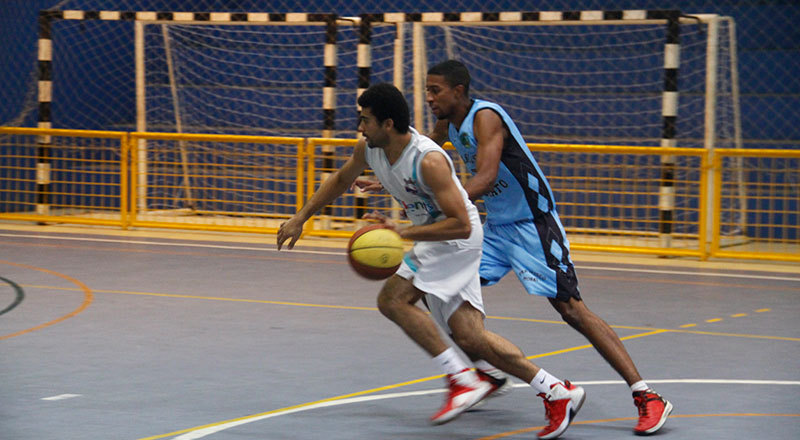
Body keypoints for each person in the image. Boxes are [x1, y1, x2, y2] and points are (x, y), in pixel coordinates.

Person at [277, 83, 585, 437]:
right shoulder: (370, 149)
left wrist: (401, 233)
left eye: (366, 120)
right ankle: (556, 391)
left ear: (388, 123)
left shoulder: (429, 159)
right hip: (435, 237)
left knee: (392, 300)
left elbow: (461, 224)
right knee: (470, 337)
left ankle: (462, 379)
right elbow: (341, 178)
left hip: (454, 239)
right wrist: (301, 217)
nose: (360, 127)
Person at [421, 59, 674, 436]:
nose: (429, 98)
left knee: (572, 310)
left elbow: (487, 177)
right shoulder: (447, 124)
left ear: (458, 91)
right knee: (436, 287)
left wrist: (443, 206)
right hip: (496, 228)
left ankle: (647, 396)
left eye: (435, 90)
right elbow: (423, 159)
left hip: (532, 224)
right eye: (427, 90)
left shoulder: (485, 117)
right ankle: (487, 373)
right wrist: (398, 182)